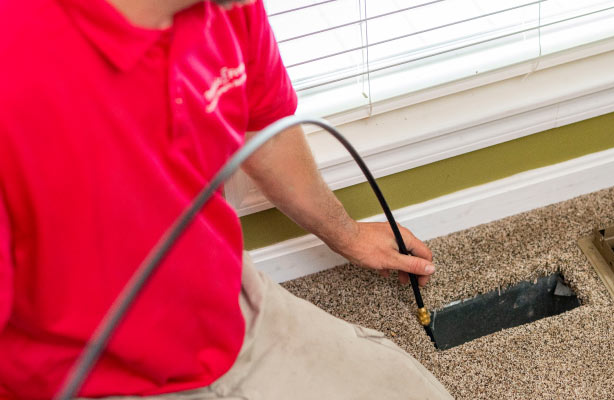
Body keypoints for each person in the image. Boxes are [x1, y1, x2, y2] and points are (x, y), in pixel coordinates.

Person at [0, 0, 453, 398]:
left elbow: (266, 132)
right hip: (88, 381)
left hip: (234, 315)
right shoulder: (16, 59)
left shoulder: (229, 7)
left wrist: (347, 234)